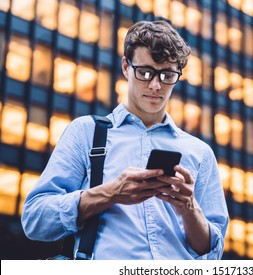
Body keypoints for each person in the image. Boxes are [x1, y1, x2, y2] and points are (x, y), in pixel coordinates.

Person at [21, 20, 229, 260]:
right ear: (125, 67)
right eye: (145, 72)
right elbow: (35, 220)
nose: (155, 85)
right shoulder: (86, 132)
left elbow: (212, 254)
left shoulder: (200, 152)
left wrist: (189, 208)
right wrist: (111, 193)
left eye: (167, 75)